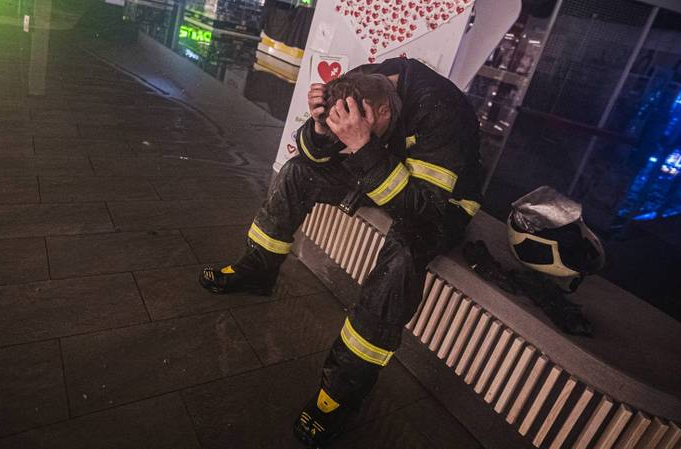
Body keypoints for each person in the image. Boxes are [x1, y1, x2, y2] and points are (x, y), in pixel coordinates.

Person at [199, 57, 483, 448]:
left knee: (404, 253)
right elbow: (318, 156)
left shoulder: (442, 110)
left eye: (364, 125)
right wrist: (320, 127)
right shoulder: (358, 84)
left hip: (439, 204)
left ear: (384, 110)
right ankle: (257, 269)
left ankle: (343, 391)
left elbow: (421, 213)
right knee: (297, 172)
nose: (350, 132)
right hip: (383, 167)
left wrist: (364, 147)